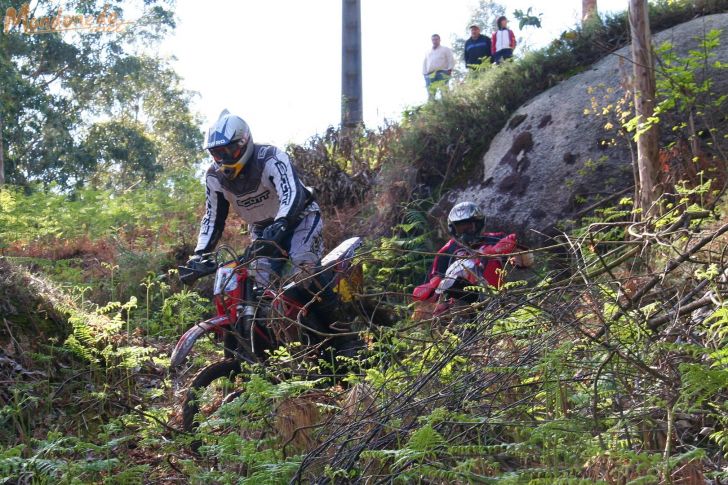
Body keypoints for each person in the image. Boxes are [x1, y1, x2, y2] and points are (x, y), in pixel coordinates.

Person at [185, 109, 323, 290]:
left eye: (229, 151)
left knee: (304, 273)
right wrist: (200, 254)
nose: (224, 159)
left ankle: (336, 312)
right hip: (261, 230)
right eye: (217, 154)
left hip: (300, 218)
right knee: (258, 287)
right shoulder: (214, 177)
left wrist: (282, 222)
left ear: (244, 142)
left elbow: (291, 191)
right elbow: (213, 218)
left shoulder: (269, 157)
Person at [412, 202, 518, 316]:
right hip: (461, 303)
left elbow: (525, 260)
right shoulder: (447, 251)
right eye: (460, 229)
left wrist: (493, 252)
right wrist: (431, 289)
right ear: (453, 229)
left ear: (478, 224)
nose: (465, 233)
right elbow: (435, 285)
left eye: (469, 228)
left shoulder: (497, 239)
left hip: (501, 293)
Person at [422, 34, 455, 99]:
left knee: (444, 92)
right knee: (431, 93)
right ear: (431, 41)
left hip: (442, 72)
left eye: (436, 39)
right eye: (433, 40)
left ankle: (446, 106)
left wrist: (450, 70)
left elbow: (451, 59)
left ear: (440, 40)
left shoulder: (445, 49)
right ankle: (432, 108)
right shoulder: (428, 52)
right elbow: (425, 63)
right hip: (430, 74)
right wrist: (425, 74)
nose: (435, 41)